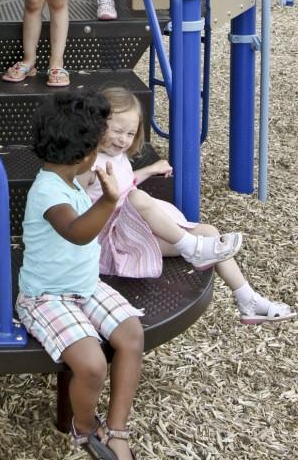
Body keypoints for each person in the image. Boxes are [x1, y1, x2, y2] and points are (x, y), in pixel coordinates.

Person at [86, 87, 295, 325]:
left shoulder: (117, 156)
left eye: (130, 133)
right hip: (114, 244)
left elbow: (124, 182)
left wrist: (151, 170)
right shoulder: (88, 164)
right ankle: (191, 248)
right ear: (96, 124)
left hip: (135, 232)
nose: (123, 139)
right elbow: (91, 201)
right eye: (117, 130)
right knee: (138, 198)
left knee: (211, 235)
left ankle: (247, 298)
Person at [16, 90, 144, 460]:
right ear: (87, 154)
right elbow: (76, 232)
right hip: (45, 297)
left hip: (84, 286)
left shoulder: (71, 179)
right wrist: (107, 201)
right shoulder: (46, 191)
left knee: (131, 335)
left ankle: (117, 427)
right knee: (91, 364)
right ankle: (85, 428)